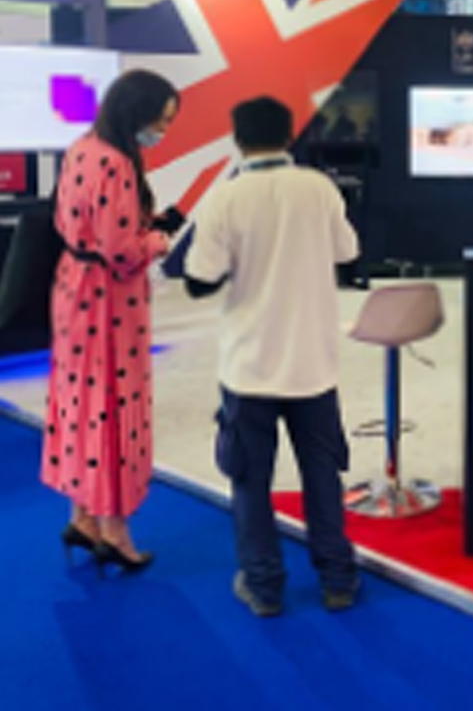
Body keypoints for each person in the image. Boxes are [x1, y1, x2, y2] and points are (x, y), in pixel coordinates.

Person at [183, 96, 360, 617]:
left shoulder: (226, 197)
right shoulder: (319, 188)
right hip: (313, 365)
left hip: (249, 367)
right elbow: (348, 254)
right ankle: (338, 580)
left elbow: (198, 281)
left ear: (238, 139)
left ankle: (264, 587)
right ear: (289, 135)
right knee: (322, 475)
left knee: (249, 479)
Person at [42, 68, 181, 571]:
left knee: (81, 402)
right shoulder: (118, 162)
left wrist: (143, 224)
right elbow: (122, 251)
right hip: (109, 301)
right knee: (115, 407)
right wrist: (159, 239)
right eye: (160, 120)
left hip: (73, 287)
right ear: (136, 112)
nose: (161, 131)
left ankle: (83, 516)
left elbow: (80, 223)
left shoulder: (82, 147)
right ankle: (115, 531)